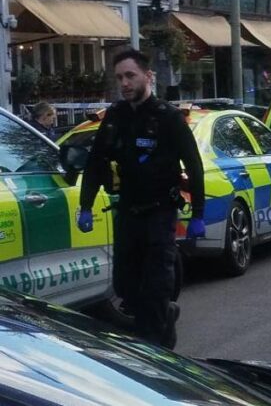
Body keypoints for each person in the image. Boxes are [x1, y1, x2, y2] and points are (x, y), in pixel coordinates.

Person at [77, 50, 206, 349]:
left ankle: (157, 349)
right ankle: (163, 318)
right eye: (120, 77)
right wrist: (85, 205)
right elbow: (96, 163)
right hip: (128, 212)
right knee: (124, 284)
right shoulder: (114, 117)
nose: (124, 82)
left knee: (156, 286)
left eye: (130, 75)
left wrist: (198, 212)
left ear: (148, 77)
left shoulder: (168, 117)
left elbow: (194, 165)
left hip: (160, 212)